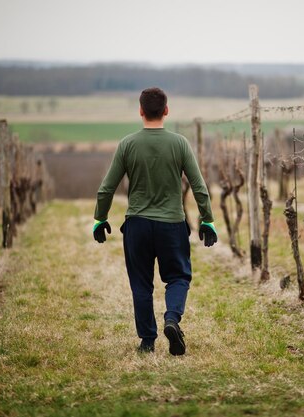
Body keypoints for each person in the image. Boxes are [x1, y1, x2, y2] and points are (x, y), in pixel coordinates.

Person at [93, 87, 217, 356]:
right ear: (166, 110)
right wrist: (207, 220)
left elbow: (106, 189)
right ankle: (171, 319)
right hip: (172, 225)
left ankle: (148, 340)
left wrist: (99, 218)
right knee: (178, 277)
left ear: (140, 111)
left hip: (137, 225)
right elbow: (199, 187)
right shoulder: (180, 144)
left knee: (141, 284)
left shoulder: (127, 144)